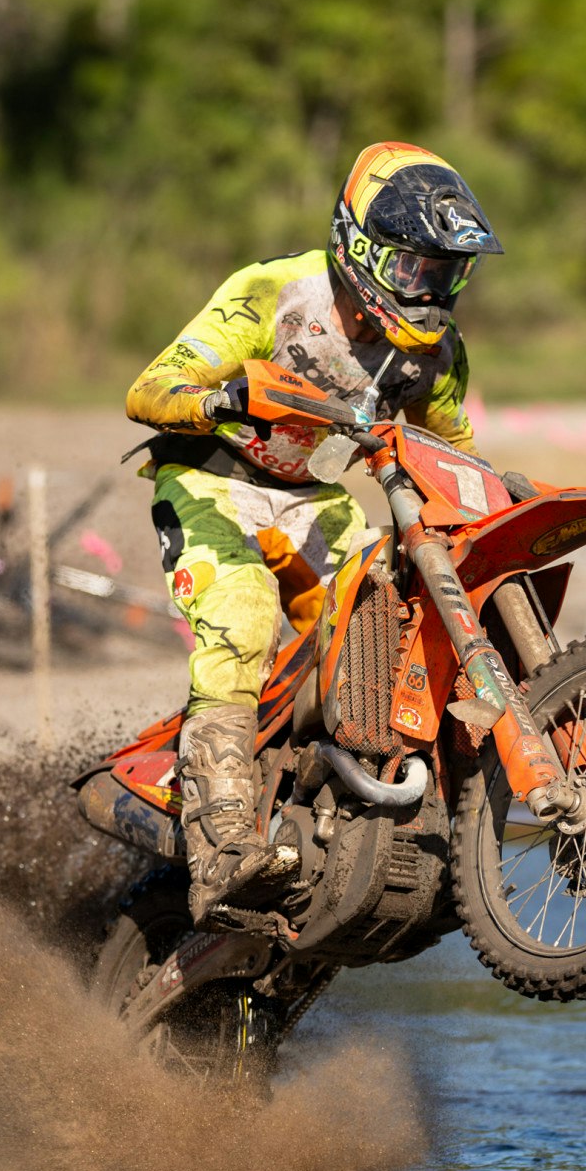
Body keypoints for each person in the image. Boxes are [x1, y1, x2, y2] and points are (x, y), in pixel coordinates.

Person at [124, 140, 501, 922]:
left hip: (311, 495)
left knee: (393, 605)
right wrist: (218, 400)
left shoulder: (434, 355)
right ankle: (223, 850)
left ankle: (371, 801)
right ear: (361, 250)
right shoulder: (274, 291)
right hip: (211, 480)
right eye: (415, 271)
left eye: (446, 275)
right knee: (243, 619)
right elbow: (149, 386)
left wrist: (493, 498)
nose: (430, 294)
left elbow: (454, 450)